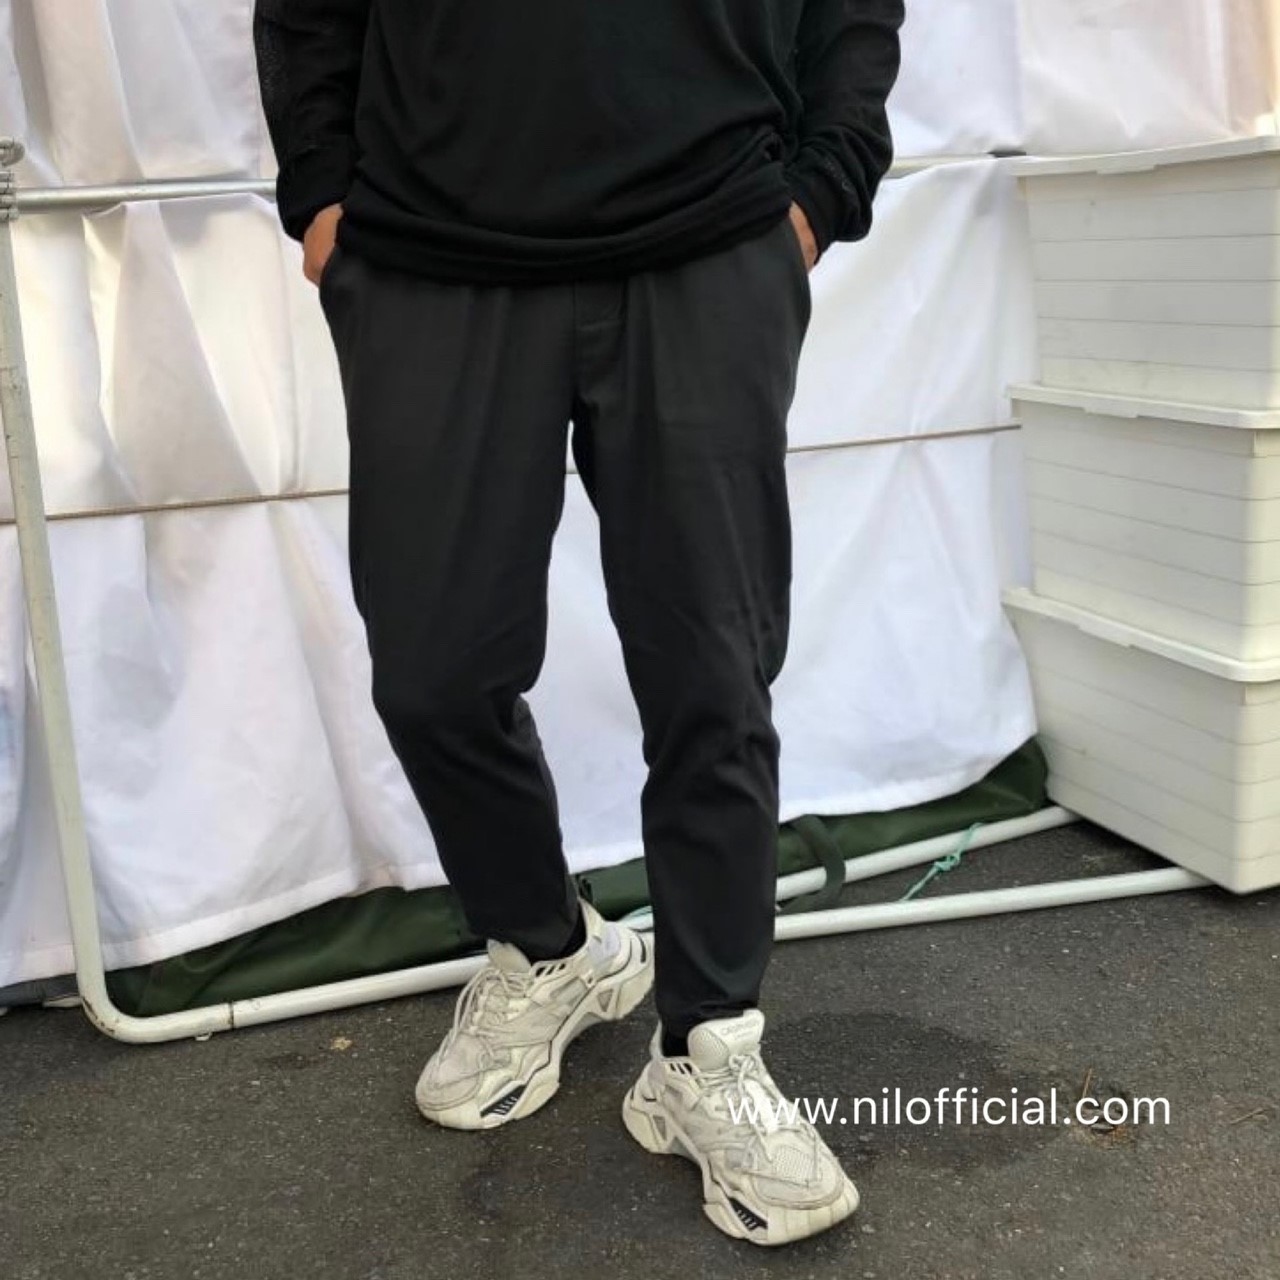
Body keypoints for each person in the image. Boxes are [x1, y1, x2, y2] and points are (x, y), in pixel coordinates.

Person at [254, 0, 903, 1246]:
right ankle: (551, 946)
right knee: (433, 670)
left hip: (707, 238)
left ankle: (706, 1041)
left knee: (712, 672)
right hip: (432, 252)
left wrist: (822, 188)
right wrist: (323, 196)